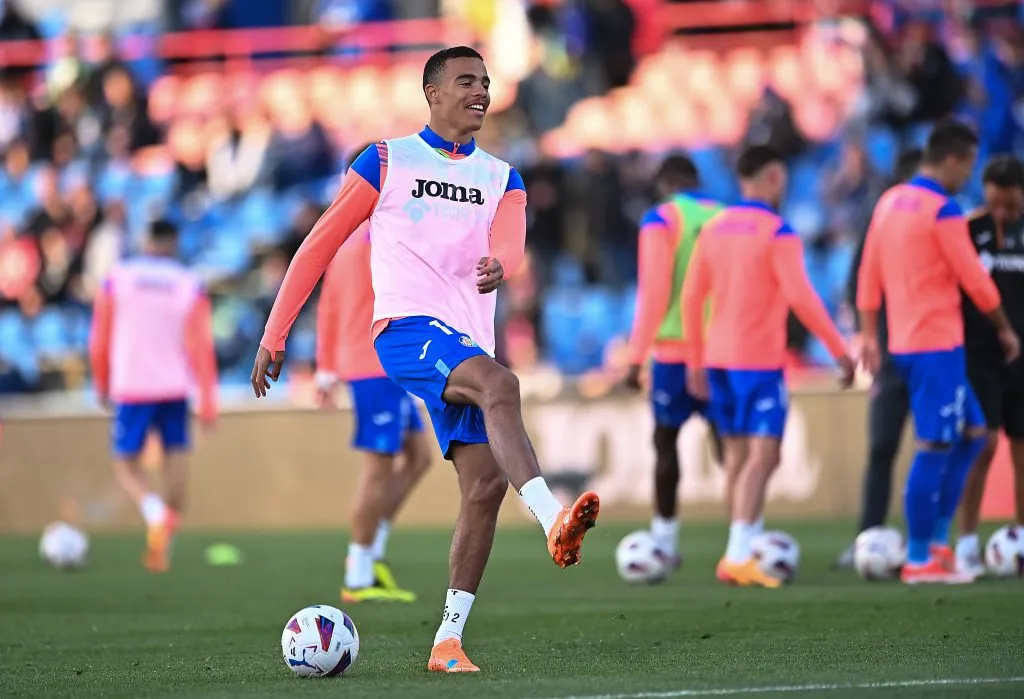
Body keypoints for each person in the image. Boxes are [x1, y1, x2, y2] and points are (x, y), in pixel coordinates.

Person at [250, 46, 600, 673]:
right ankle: (552, 518)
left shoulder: (503, 176)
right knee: (502, 385)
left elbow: (511, 240)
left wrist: (503, 265)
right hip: (405, 331)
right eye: (466, 81)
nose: (480, 91)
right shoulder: (386, 159)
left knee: (484, 486)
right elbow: (319, 244)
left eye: (486, 83)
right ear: (432, 92)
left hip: (466, 342)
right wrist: (275, 333)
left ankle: (447, 641)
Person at [681, 145, 855, 588]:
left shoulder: (715, 229)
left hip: (718, 359)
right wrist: (839, 350)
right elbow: (801, 297)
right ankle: (739, 553)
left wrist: (695, 358)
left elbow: (691, 297)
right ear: (774, 176)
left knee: (738, 458)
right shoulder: (777, 231)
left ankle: (745, 545)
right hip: (757, 362)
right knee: (765, 455)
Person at [856, 119, 1020, 585]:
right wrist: (1005, 328)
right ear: (951, 159)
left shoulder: (890, 202)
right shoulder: (941, 209)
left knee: (972, 430)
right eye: (967, 166)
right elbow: (974, 278)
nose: (967, 177)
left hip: (902, 343)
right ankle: (920, 557)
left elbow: (869, 272)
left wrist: (870, 334)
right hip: (936, 345)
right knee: (935, 444)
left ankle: (940, 544)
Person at [315, 145, 434, 603]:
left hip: (376, 367)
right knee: (378, 469)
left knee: (418, 457)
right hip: (374, 366)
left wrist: (327, 368)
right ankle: (358, 574)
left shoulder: (348, 240)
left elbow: (327, 308)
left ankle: (372, 551)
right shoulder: (376, 239)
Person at [88, 219, 217, 572]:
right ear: (174, 241)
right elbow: (201, 345)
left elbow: (100, 335)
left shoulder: (119, 277)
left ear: (147, 240)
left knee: (126, 464)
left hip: (132, 384)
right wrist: (208, 400)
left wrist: (101, 381)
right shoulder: (188, 282)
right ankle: (163, 544)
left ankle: (155, 513)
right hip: (174, 384)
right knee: (176, 458)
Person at [623, 154, 721, 569]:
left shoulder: (662, 219)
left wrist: (635, 357)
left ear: (665, 183)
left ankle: (664, 540)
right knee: (730, 445)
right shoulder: (726, 217)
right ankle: (744, 536)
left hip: (673, 351)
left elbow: (655, 290)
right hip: (721, 350)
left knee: (666, 441)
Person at [833, 148, 924, 570]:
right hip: (891, 354)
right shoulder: (882, 227)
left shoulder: (943, 220)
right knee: (883, 447)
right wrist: (867, 335)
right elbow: (858, 283)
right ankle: (867, 537)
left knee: (939, 448)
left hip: (933, 352)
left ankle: (935, 542)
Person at [956, 155, 1024, 576]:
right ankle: (966, 543)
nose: (1002, 213)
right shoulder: (966, 230)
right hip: (979, 354)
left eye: (1010, 207)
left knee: (1021, 450)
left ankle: (1019, 534)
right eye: (995, 204)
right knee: (983, 445)